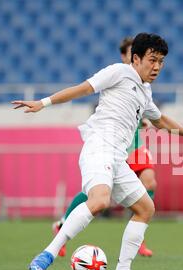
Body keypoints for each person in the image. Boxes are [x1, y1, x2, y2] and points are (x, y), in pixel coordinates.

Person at [12, 33, 183, 270]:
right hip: (99, 147)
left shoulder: (145, 91)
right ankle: (47, 254)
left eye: (161, 61)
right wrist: (43, 103)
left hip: (117, 158)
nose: (157, 66)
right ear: (135, 58)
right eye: (152, 60)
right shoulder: (118, 72)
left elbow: (160, 120)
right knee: (100, 201)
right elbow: (82, 89)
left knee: (146, 209)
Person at [52, 36, 156, 258]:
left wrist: (145, 120)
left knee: (149, 181)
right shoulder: (118, 75)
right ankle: (62, 226)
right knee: (96, 194)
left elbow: (145, 111)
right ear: (128, 56)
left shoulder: (145, 87)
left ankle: (139, 237)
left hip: (132, 143)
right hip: (110, 143)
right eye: (132, 54)